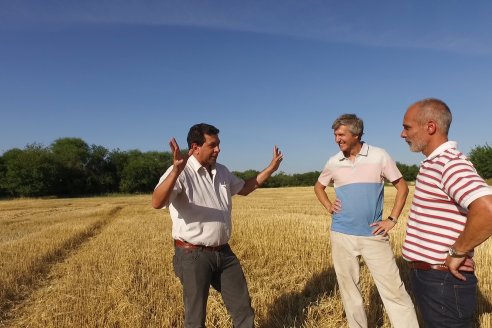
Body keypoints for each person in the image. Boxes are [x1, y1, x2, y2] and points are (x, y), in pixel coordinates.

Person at [152, 123, 283, 328]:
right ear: (195, 147)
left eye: (218, 144)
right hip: (193, 255)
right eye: (212, 145)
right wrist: (175, 171)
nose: (218, 150)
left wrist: (271, 168)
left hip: (224, 253)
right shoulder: (180, 171)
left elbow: (245, 188)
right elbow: (156, 202)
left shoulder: (222, 171)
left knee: (243, 310)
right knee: (195, 320)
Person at [314, 114, 419, 328]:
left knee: (394, 291)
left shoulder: (379, 156)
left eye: (341, 134)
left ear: (356, 134)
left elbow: (402, 187)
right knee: (349, 291)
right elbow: (318, 186)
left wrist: (392, 219)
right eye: (335, 135)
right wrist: (328, 206)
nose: (337, 139)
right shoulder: (334, 162)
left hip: (373, 235)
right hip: (341, 235)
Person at [401, 98, 492, 327]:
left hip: (441, 280)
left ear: (430, 127)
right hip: (432, 277)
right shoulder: (434, 163)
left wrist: (458, 251)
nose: (403, 134)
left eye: (407, 127)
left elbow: (487, 209)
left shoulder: (449, 163)